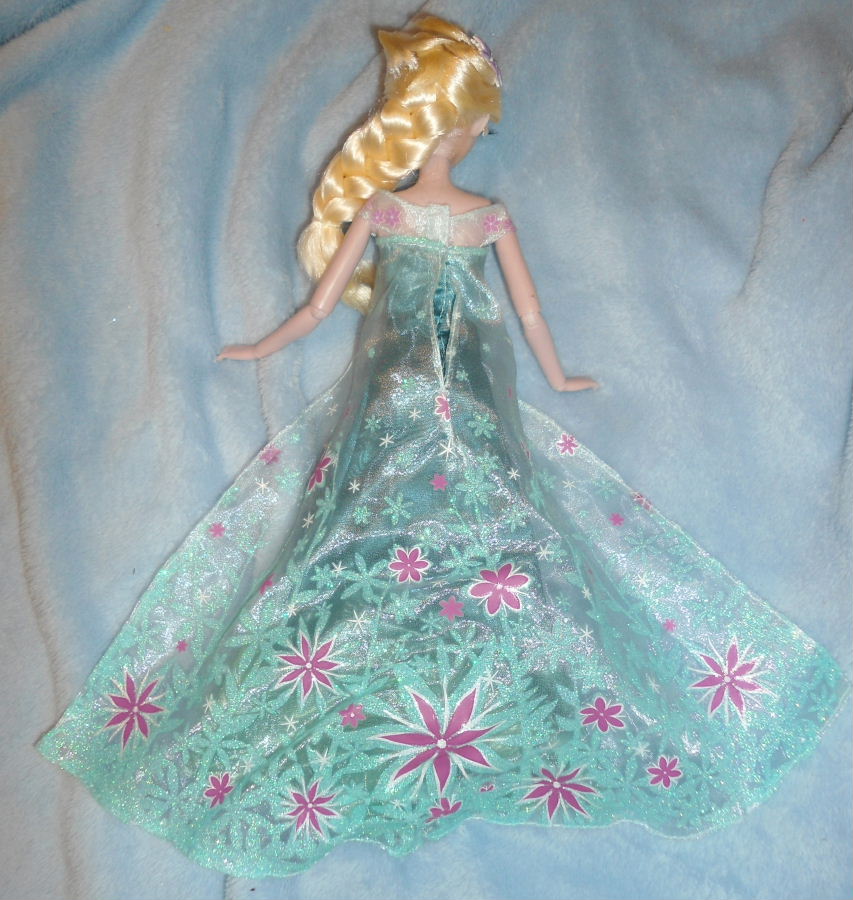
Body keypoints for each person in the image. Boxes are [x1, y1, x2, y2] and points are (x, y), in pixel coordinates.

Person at [36, 13, 851, 879]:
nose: (473, 139)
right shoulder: (422, 213)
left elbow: (459, 309)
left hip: (451, 399)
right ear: (447, 125)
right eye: (475, 125)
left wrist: (556, 374)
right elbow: (359, 306)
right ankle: (412, 669)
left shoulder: (442, 214)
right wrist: (267, 343)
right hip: (403, 400)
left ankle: (449, 668)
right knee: (389, 531)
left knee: (448, 527)